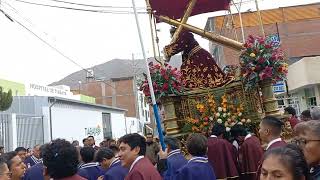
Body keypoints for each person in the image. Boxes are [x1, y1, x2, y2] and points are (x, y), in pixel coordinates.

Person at [163, 27, 233, 89]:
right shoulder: (184, 34)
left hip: (199, 57)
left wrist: (167, 52)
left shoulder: (184, 34)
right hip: (197, 56)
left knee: (191, 70)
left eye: (173, 36)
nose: (173, 39)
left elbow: (178, 46)